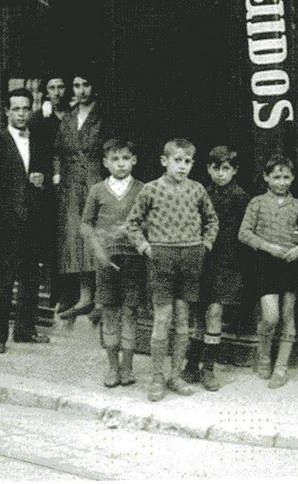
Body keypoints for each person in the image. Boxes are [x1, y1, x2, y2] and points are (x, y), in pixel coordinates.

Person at [124, 138, 219, 402]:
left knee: (183, 322)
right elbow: (132, 224)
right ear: (165, 161)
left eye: (188, 161)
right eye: (177, 160)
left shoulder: (198, 189)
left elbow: (212, 220)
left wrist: (205, 245)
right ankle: (156, 377)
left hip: (190, 258)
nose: (183, 166)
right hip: (161, 258)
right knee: (162, 320)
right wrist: (145, 247)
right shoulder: (151, 190)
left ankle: (175, 375)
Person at [0, 88, 55, 354]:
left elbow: (44, 180)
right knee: (2, 280)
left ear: (31, 110)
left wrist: (41, 183)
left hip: (33, 222)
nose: (21, 114)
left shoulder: (40, 142)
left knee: (31, 278)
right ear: (7, 112)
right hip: (5, 225)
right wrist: (0, 211)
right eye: (16, 109)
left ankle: (25, 330)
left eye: (25, 108)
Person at [239, 155, 298, 389]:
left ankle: (281, 367)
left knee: (288, 314)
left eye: (286, 177)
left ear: (293, 178)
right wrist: (269, 247)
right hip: (265, 264)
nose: (282, 182)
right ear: (266, 178)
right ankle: (263, 355)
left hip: (290, 265)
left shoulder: (297, 205)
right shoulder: (257, 202)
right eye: (276, 177)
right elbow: (244, 233)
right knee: (271, 316)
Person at [180, 145, 249, 391]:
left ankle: (208, 368)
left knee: (215, 313)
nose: (220, 173)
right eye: (215, 168)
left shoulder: (240, 196)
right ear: (208, 168)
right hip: (203, 259)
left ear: (234, 170)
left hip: (226, 262)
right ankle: (191, 364)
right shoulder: (202, 192)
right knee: (198, 314)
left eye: (226, 169)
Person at [79, 138, 147, 388]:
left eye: (125, 158)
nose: (121, 164)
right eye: (115, 159)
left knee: (130, 311)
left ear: (134, 161)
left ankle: (128, 367)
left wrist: (132, 230)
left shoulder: (142, 189)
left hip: (133, 259)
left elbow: (149, 220)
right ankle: (112, 367)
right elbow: (86, 223)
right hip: (106, 261)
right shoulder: (97, 190)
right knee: (109, 311)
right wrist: (98, 247)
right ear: (106, 163)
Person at [53, 72, 106, 321]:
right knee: (77, 240)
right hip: (71, 184)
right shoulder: (69, 117)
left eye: (86, 84)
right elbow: (57, 150)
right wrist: (56, 174)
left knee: (99, 238)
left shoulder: (105, 115)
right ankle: (84, 297)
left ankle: (101, 299)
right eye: (76, 85)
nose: (81, 90)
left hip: (97, 181)